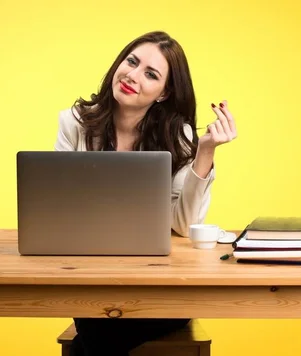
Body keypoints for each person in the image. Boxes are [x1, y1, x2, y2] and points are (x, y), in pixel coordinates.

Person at [53, 30, 237, 356]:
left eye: (150, 74)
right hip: (94, 281)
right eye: (132, 62)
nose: (132, 76)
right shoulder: (74, 123)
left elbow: (183, 225)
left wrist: (204, 152)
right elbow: (58, 207)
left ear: (164, 93)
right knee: (96, 323)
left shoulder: (177, 137)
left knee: (96, 334)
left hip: (160, 288)